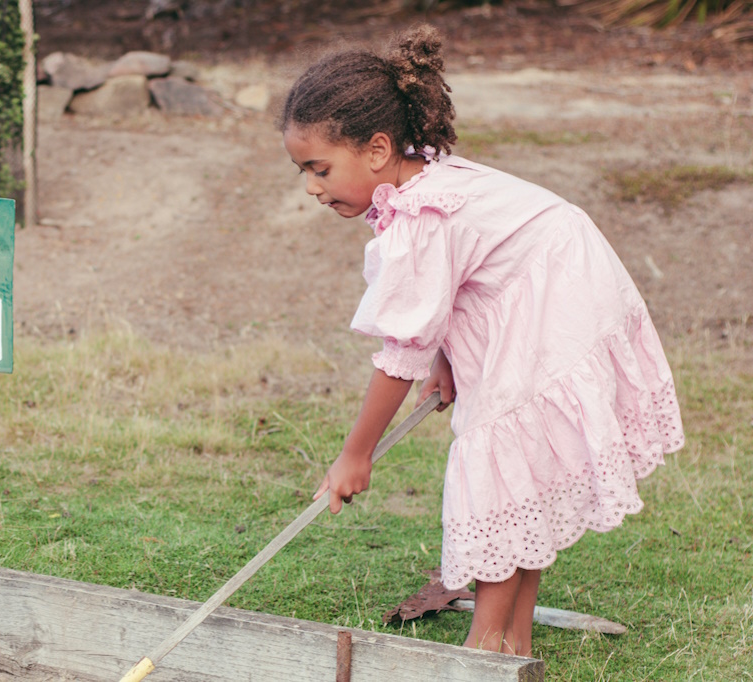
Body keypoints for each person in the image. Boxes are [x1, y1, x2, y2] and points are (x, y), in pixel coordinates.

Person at [280, 26, 684, 657]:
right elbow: (444, 301)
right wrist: (448, 364)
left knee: (498, 458)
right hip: (560, 275)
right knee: (512, 463)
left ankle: (486, 644)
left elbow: (400, 352)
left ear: (378, 149)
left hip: (556, 295)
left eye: (319, 168)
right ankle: (512, 643)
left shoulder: (418, 217)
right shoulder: (422, 185)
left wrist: (354, 455)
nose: (311, 186)